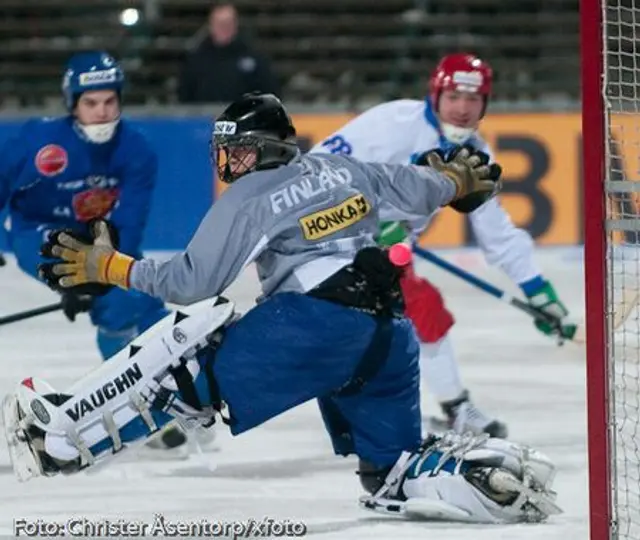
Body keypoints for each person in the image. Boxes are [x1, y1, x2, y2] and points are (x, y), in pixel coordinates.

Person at [3, 93, 560, 524]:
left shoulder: (253, 193)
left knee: (188, 367)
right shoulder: (347, 170)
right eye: (226, 151)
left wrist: (110, 267)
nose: (231, 162)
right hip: (390, 336)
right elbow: (426, 186)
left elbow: (192, 281)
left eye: (238, 149)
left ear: (267, 147)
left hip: (317, 327)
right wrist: (454, 177)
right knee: (390, 475)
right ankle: (486, 477)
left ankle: (63, 441)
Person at [310, 53, 575, 438]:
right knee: (379, 320)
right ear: (435, 96)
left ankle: (446, 409)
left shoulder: (476, 154)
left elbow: (495, 230)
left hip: (383, 253)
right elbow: (318, 169)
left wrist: (538, 289)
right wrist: (367, 219)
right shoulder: (393, 122)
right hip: (328, 238)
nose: (463, 109)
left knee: (419, 313)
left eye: (473, 99)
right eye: (454, 97)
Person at [0, 50, 187, 451]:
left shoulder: (138, 150)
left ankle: (159, 391)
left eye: (109, 101)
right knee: (110, 298)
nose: (102, 112)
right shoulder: (38, 139)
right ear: (73, 104)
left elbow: (131, 225)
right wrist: (80, 282)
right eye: (91, 103)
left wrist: (107, 275)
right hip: (38, 232)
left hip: (100, 236)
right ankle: (137, 398)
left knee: (130, 299)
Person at [178, 2, 281, 103]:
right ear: (210, 25)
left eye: (228, 23)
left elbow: (269, 93)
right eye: (220, 23)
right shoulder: (196, 60)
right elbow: (185, 97)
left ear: (236, 24)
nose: (224, 27)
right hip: (205, 118)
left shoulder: (255, 58)